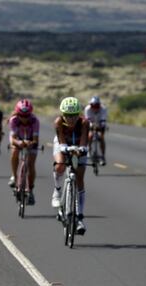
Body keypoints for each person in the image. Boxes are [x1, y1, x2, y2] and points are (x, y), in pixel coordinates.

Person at [51, 96, 89, 234]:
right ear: (62, 114)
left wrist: (82, 150)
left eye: (74, 115)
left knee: (79, 177)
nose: (71, 119)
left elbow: (84, 141)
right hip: (63, 143)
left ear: (78, 114)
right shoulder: (58, 122)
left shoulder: (85, 123)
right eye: (68, 115)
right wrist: (67, 149)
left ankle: (79, 217)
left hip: (79, 145)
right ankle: (57, 190)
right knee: (60, 165)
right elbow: (61, 143)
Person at [8, 99, 40, 205]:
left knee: (31, 164)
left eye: (27, 116)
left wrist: (31, 143)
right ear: (18, 114)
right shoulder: (14, 120)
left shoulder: (35, 120)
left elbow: (36, 139)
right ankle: (14, 176)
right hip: (18, 140)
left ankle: (30, 190)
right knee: (14, 152)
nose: (25, 118)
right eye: (22, 115)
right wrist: (19, 143)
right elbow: (12, 138)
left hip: (31, 141)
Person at [84, 95, 108, 165]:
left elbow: (103, 120)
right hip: (91, 124)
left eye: (96, 106)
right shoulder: (87, 109)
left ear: (99, 105)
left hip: (100, 124)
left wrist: (102, 126)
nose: (94, 108)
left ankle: (103, 156)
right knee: (90, 135)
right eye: (93, 106)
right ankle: (89, 149)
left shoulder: (103, 109)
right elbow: (87, 120)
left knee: (101, 137)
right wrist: (91, 125)